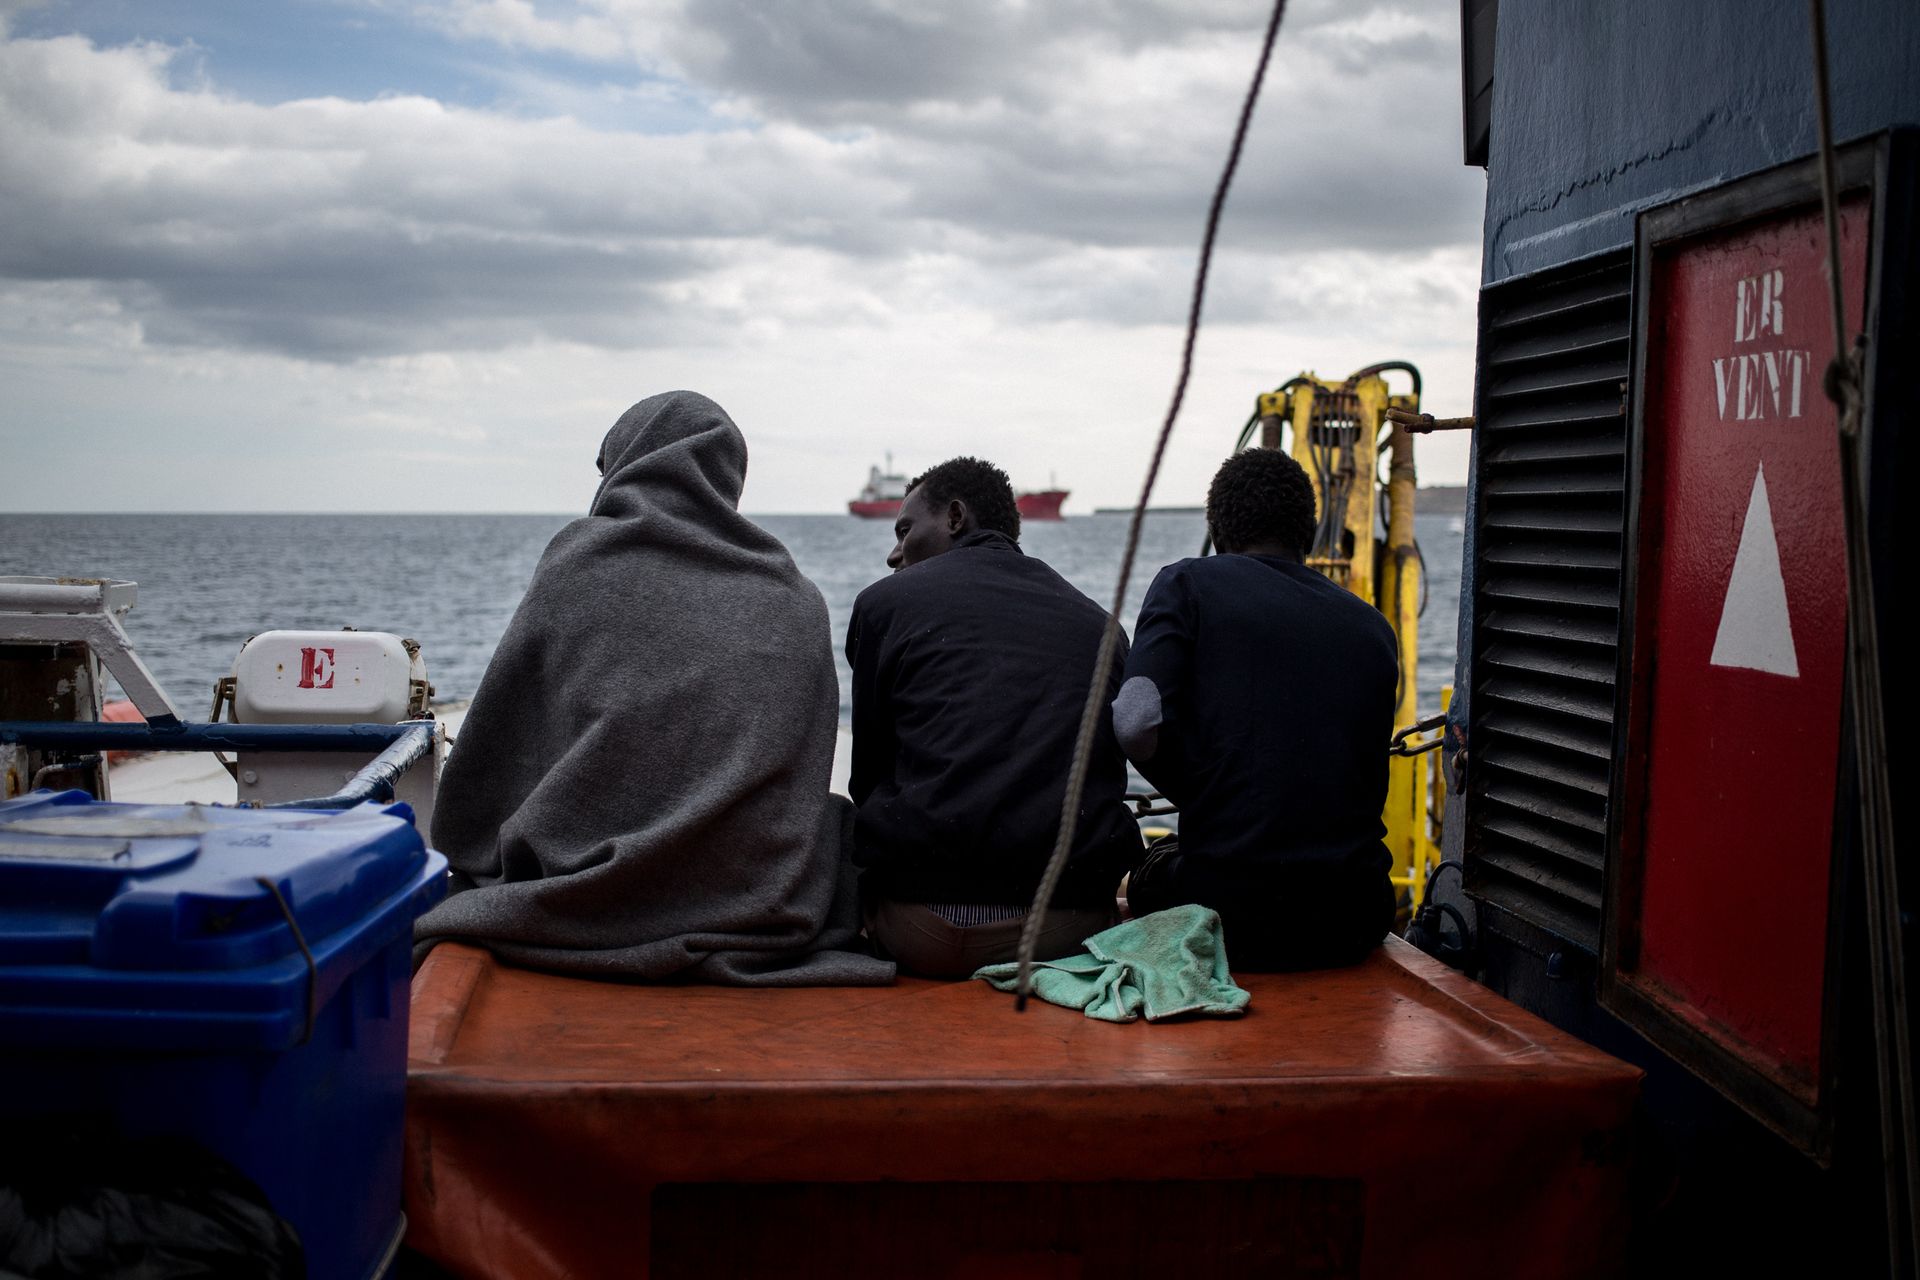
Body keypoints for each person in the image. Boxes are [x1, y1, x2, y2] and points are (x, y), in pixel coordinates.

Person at [413, 391, 893, 986]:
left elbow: (497, 739)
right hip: (755, 891)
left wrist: (472, 840)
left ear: (630, 461)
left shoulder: (578, 563)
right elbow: (804, 765)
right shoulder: (795, 596)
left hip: (583, 881)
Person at [845, 457, 1142, 977]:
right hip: (1067, 930)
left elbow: (868, 777)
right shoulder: (1104, 627)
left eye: (905, 530)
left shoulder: (882, 605)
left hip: (921, 929)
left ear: (956, 517)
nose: (895, 554)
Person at [1113, 447, 1399, 971]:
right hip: (1356, 914)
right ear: (1308, 535)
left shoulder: (1187, 584)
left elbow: (1133, 721)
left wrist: (1205, 791)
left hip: (1230, 912)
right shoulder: (1374, 627)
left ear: (1217, 532)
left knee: (1153, 866)